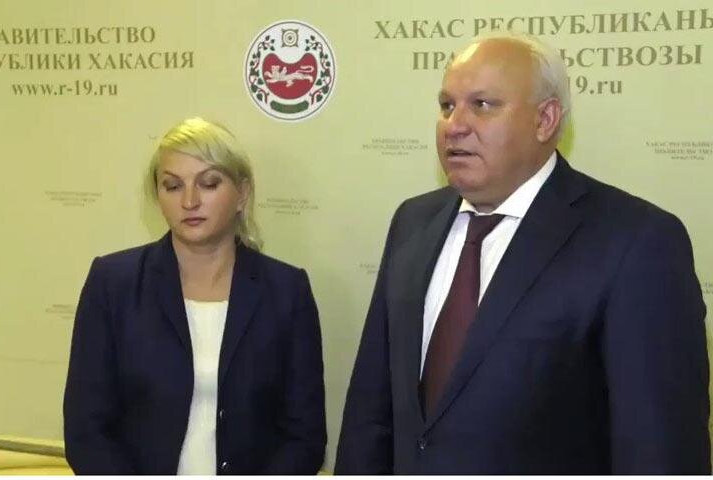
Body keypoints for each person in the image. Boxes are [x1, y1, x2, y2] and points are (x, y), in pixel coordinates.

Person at [335, 33, 709, 474]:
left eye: (482, 105)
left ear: (545, 119)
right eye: (447, 105)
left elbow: (659, 449)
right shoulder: (412, 222)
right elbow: (371, 411)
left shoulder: (636, 242)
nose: (454, 125)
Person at [64, 117, 326, 474]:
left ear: (242, 194)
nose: (189, 201)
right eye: (173, 186)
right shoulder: (113, 283)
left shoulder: (287, 291)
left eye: (209, 183)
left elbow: (304, 436)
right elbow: (87, 430)